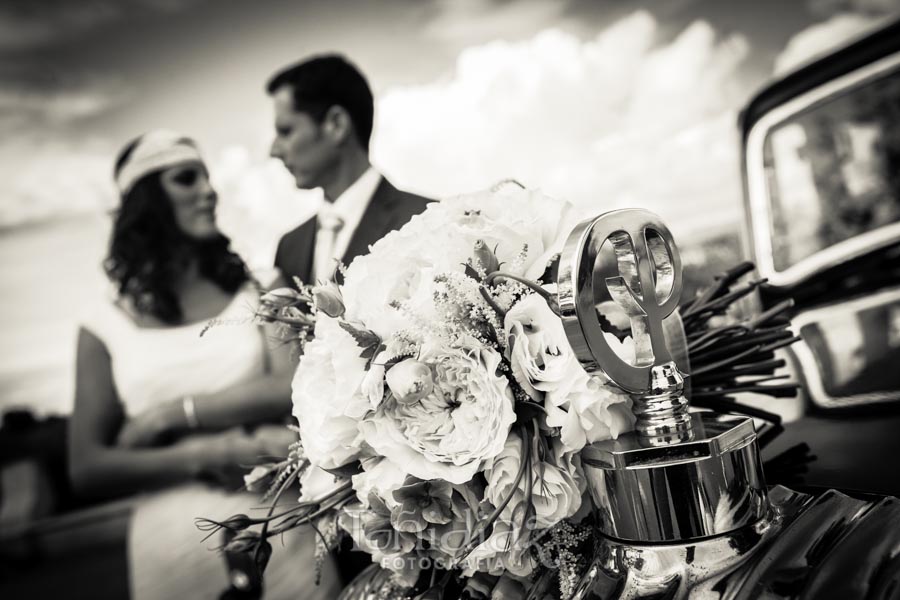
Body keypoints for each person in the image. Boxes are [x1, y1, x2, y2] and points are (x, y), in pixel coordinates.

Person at [68, 130, 340, 600]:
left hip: (279, 533)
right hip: (168, 556)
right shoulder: (101, 325)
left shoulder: (262, 286)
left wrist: (165, 417)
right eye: (186, 179)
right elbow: (88, 466)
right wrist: (208, 455)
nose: (208, 191)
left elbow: (289, 385)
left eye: (207, 178)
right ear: (147, 201)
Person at [267, 54, 432, 285]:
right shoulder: (289, 247)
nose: (274, 151)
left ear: (336, 124)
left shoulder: (426, 221)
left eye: (285, 131)